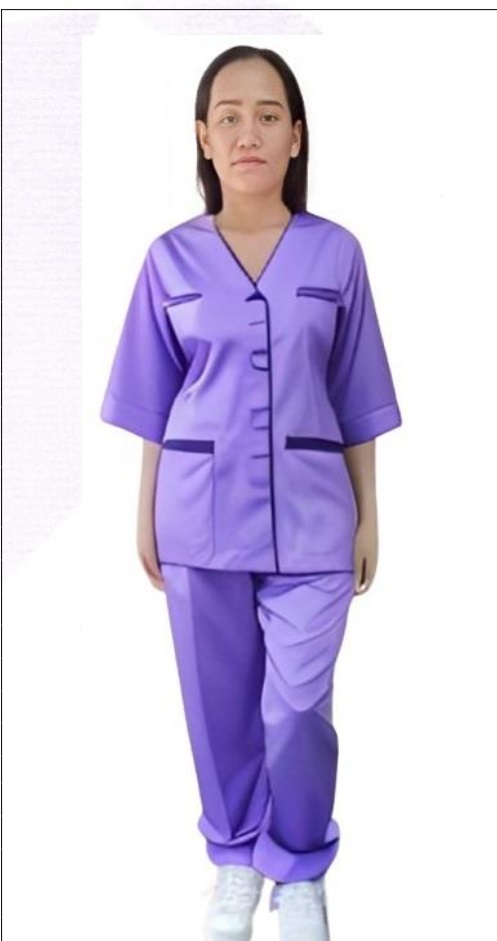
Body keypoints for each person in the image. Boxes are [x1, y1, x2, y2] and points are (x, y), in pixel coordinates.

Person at [100, 44, 402, 941]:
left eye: (267, 115)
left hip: (315, 518)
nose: (248, 132)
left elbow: (357, 395)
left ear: (296, 136)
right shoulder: (169, 260)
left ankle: (299, 866)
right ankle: (234, 858)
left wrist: (370, 516)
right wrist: (145, 512)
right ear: (202, 137)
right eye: (228, 117)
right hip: (195, 515)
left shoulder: (335, 254)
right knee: (217, 707)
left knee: (296, 706)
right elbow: (153, 402)